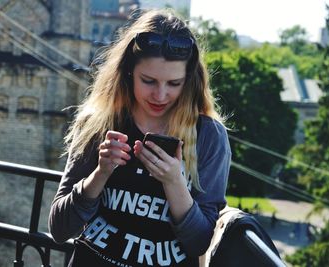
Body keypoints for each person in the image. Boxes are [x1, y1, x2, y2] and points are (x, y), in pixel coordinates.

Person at [48, 9, 231, 267]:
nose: (160, 95)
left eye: (174, 83)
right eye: (149, 81)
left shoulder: (208, 136)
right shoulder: (100, 123)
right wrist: (100, 173)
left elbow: (200, 242)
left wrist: (174, 182)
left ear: (189, 81)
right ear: (128, 72)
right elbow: (59, 228)